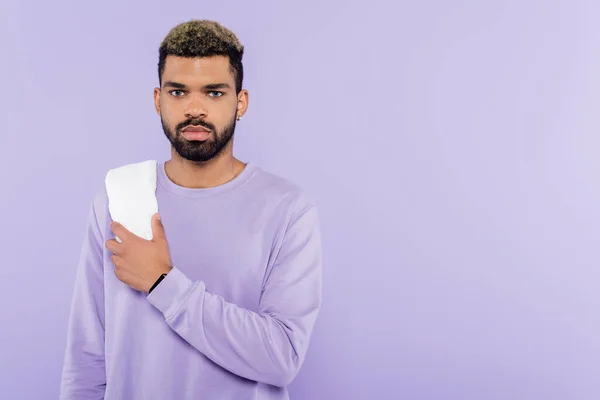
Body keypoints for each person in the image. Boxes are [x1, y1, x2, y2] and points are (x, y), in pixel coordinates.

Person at [59, 19, 323, 400]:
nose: (195, 109)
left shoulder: (288, 208)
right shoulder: (120, 195)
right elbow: (86, 358)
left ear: (241, 102)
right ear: (158, 100)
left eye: (214, 93)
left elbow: (281, 357)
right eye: (179, 92)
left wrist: (164, 284)